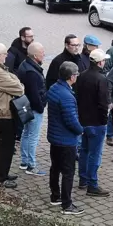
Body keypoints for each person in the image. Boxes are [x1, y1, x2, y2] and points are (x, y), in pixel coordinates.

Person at [46, 62, 84, 215]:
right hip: (66, 140)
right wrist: (81, 130)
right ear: (71, 76)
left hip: (54, 137)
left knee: (55, 167)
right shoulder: (67, 96)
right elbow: (71, 121)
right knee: (68, 172)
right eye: (76, 74)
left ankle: (55, 196)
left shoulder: (54, 88)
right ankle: (67, 204)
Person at [0, 43, 24, 188]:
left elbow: (12, 76)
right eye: (5, 54)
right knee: (4, 147)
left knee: (7, 145)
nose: (7, 56)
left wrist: (13, 80)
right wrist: (17, 83)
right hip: (2, 114)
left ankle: (3, 173)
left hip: (3, 112)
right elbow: (19, 89)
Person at [75, 49, 111, 197]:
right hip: (97, 122)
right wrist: (104, 120)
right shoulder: (101, 79)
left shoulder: (81, 76)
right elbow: (103, 103)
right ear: (100, 62)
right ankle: (92, 184)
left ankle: (83, 179)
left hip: (83, 120)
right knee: (94, 154)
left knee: (84, 150)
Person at [16, 42, 47, 176]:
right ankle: (31, 165)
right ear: (35, 55)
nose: (44, 54)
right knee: (32, 136)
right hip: (33, 108)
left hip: (25, 105)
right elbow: (35, 94)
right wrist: (41, 108)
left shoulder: (25, 65)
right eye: (42, 52)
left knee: (26, 134)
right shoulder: (32, 72)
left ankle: (24, 161)